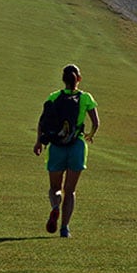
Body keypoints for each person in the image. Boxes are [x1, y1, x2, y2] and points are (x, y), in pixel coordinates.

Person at [33, 64, 100, 238]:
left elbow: (43, 121)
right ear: (79, 79)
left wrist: (39, 142)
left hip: (56, 146)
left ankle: (55, 206)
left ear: (63, 79)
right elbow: (96, 122)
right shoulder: (85, 98)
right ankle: (65, 228)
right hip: (76, 146)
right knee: (70, 190)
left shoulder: (54, 96)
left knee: (55, 187)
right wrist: (90, 134)